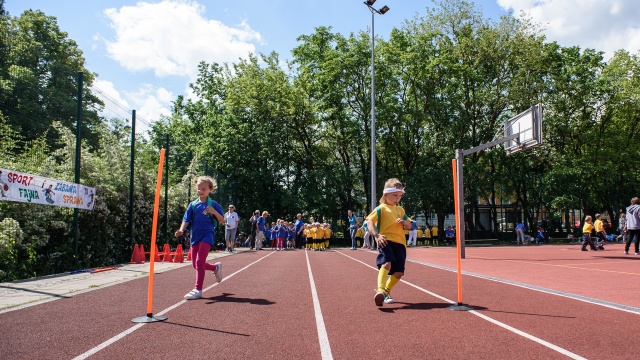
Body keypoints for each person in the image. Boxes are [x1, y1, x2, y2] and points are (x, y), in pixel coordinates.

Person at [174, 176, 224, 300]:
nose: (200, 191)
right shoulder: (193, 205)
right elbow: (186, 219)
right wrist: (181, 230)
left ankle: (198, 289)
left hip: (207, 235)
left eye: (204, 189)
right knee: (195, 265)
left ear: (210, 190)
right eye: (199, 188)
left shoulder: (213, 204)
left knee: (199, 261)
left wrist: (214, 212)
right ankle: (215, 267)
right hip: (194, 236)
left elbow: (222, 220)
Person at [366, 178, 411, 307]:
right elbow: (369, 221)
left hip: (400, 243)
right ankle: (380, 290)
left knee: (399, 272)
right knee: (387, 264)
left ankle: (386, 292)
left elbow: (410, 225)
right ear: (386, 195)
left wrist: (404, 222)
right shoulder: (381, 208)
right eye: (395, 195)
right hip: (386, 240)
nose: (397, 198)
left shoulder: (400, 210)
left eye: (400, 196)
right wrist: (376, 235)